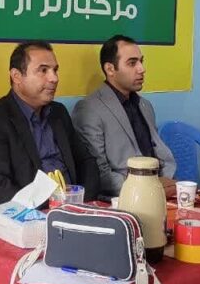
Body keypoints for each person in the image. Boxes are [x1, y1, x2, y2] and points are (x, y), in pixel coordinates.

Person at [0, 41, 100, 214]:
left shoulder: (58, 113)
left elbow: (86, 162)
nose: (54, 78)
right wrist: (52, 209)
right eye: (43, 70)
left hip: (74, 210)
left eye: (55, 70)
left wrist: (81, 203)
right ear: (16, 76)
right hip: (30, 217)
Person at [73, 35, 176, 196]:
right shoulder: (90, 109)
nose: (141, 69)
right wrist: (145, 188)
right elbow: (98, 172)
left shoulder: (144, 106)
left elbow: (159, 154)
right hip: (122, 197)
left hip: (161, 190)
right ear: (110, 69)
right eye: (132, 63)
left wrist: (167, 183)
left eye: (141, 61)